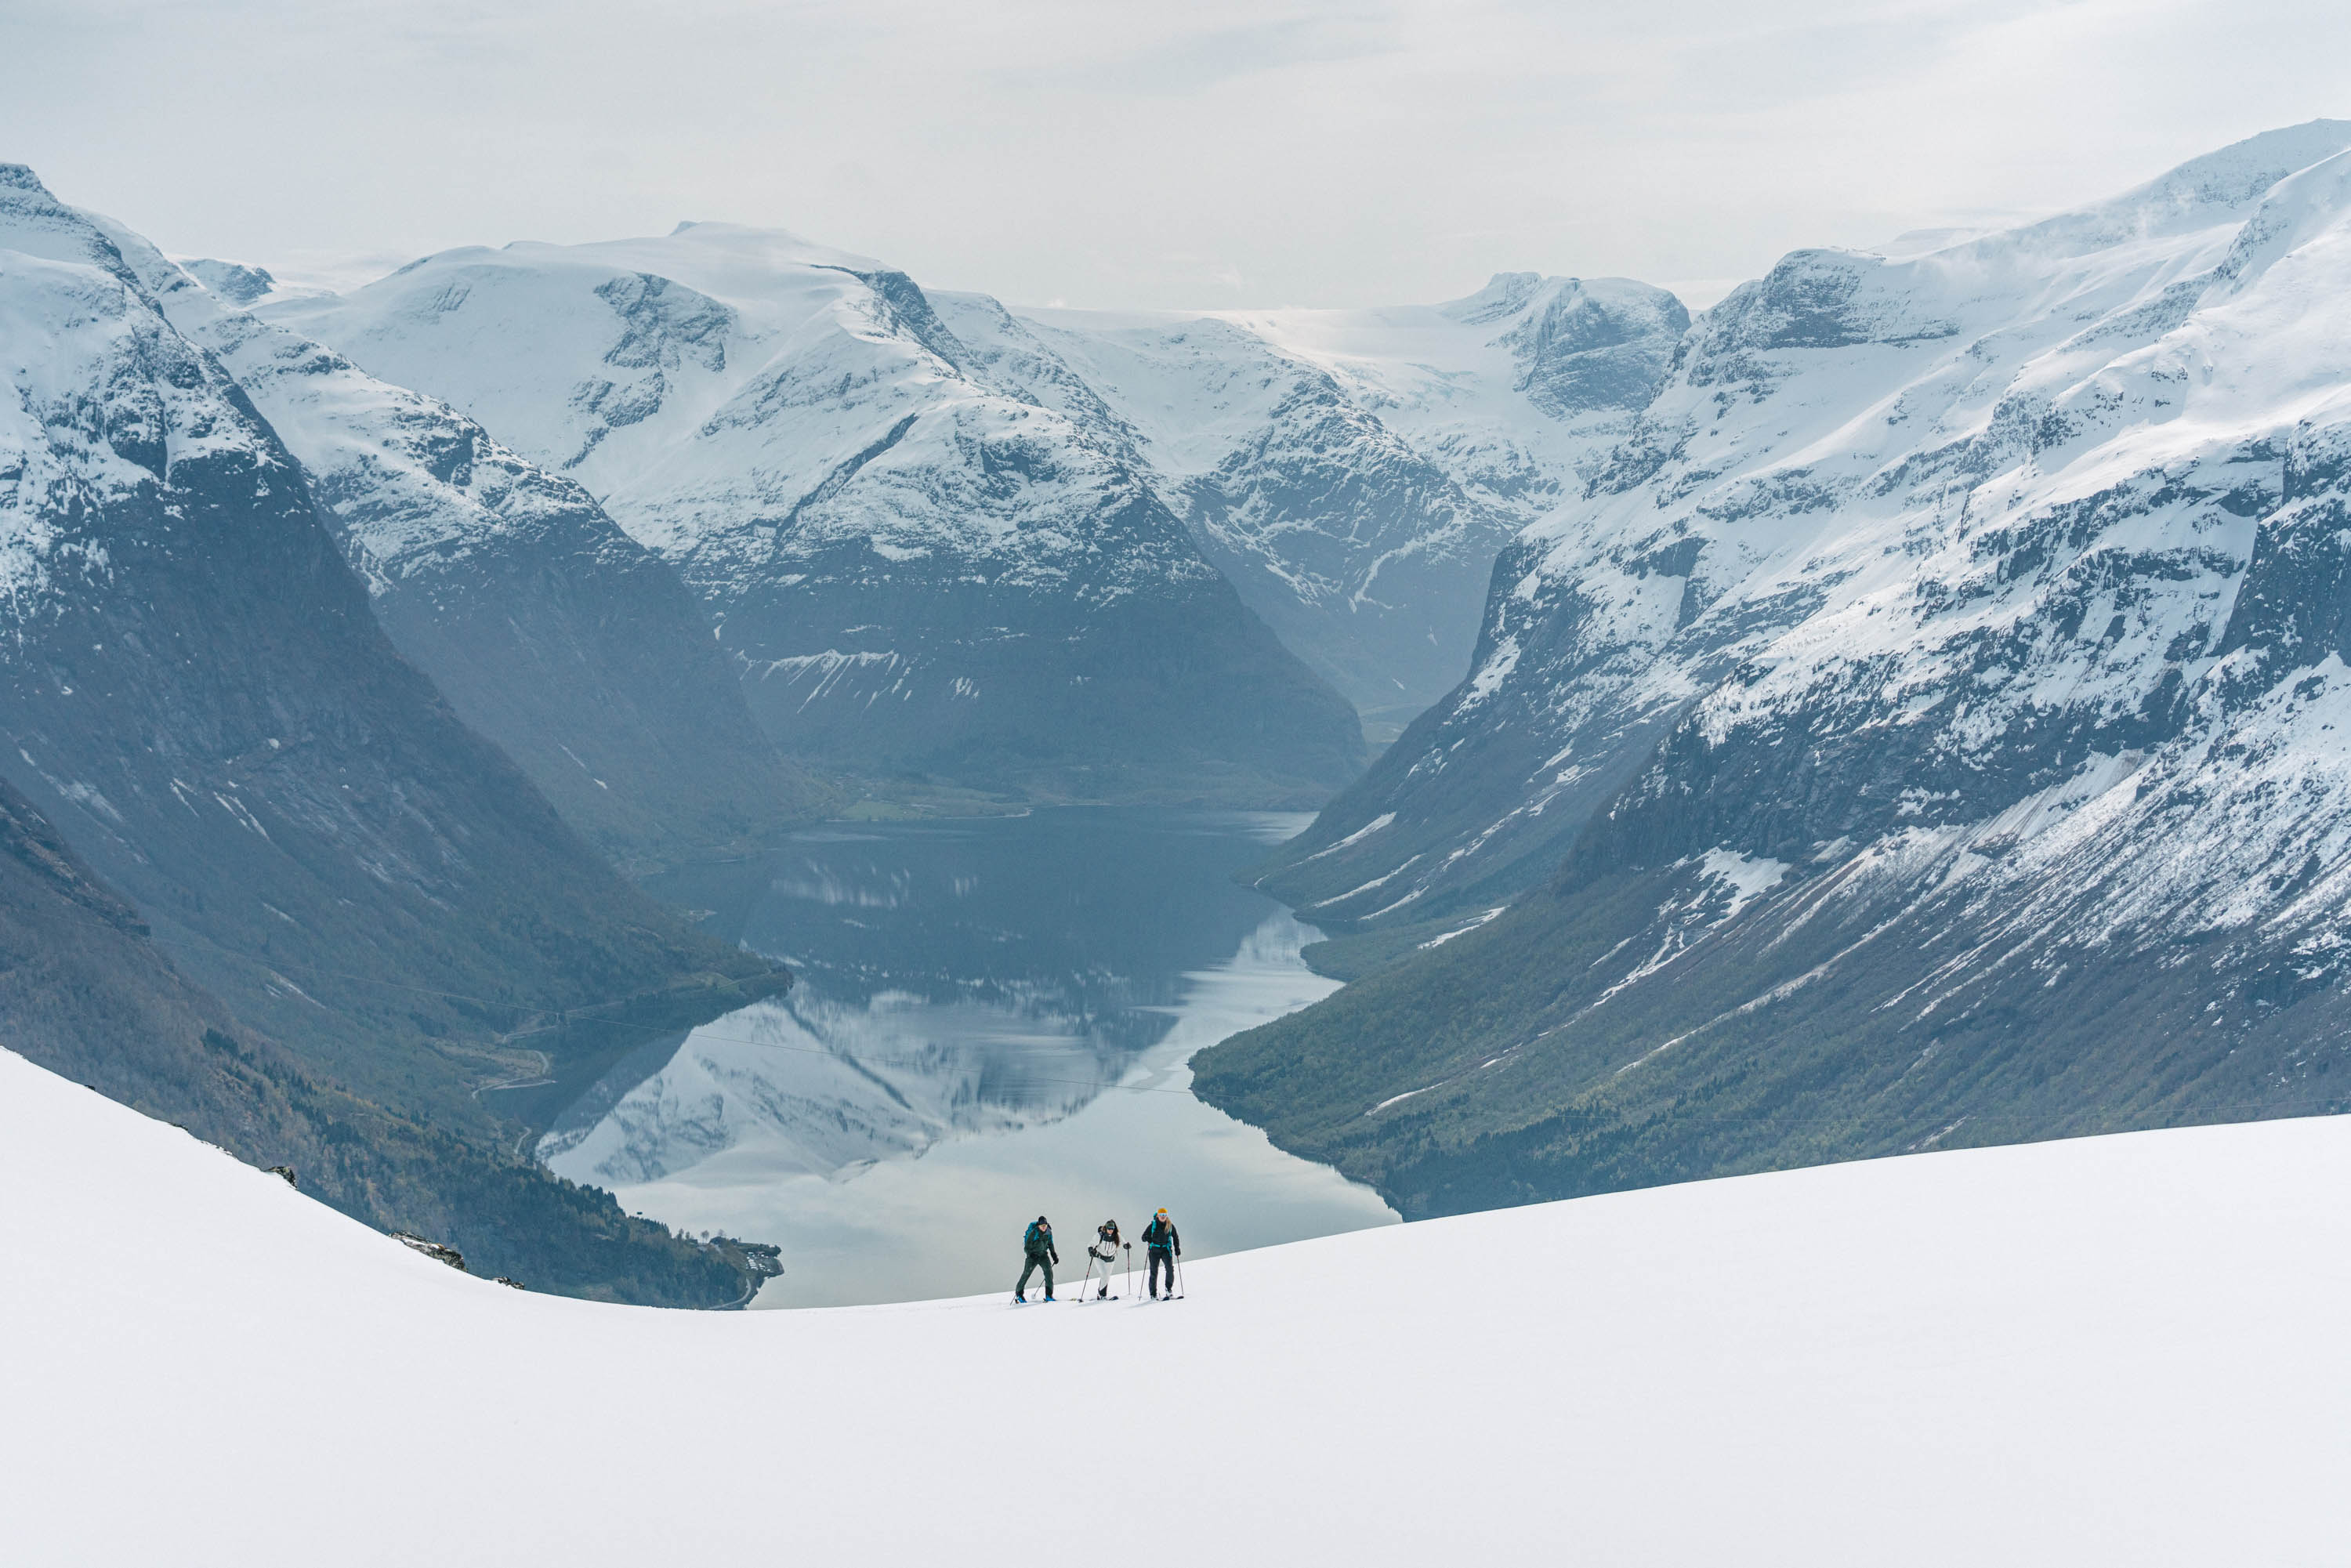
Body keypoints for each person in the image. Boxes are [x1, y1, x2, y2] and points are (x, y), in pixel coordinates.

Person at [1014, 1215, 1057, 1302]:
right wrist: (1030, 1254)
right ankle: (1019, 1294)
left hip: (1043, 1255)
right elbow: (1026, 1247)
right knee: (1026, 1274)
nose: (1044, 1228)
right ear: (1038, 1225)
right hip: (1032, 1257)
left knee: (1049, 1273)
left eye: (1045, 1225)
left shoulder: (1048, 1232)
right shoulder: (1034, 1232)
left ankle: (1049, 1295)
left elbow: (1050, 1244)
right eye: (1042, 1226)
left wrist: (1054, 1255)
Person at [1140, 1208, 1180, 1299]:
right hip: (1154, 1250)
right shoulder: (1152, 1225)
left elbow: (1175, 1237)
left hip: (1166, 1250)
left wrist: (1177, 1249)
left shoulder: (1170, 1225)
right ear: (1158, 1216)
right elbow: (1143, 1237)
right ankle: (1153, 1294)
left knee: (1170, 1269)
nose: (1163, 1217)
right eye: (1161, 1215)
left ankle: (1168, 1289)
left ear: (1167, 1216)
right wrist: (1148, 1238)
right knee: (1154, 1272)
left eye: (1164, 1215)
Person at [1085, 1219, 1122, 1299]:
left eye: (1112, 1228)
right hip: (1099, 1257)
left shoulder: (1116, 1235)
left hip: (1111, 1258)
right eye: (1109, 1229)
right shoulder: (1100, 1235)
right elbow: (1091, 1244)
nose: (1111, 1230)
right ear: (1106, 1228)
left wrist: (1126, 1245)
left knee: (1107, 1277)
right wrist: (1091, 1249)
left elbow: (1123, 1241)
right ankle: (1102, 1295)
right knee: (1104, 1275)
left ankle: (1100, 1294)